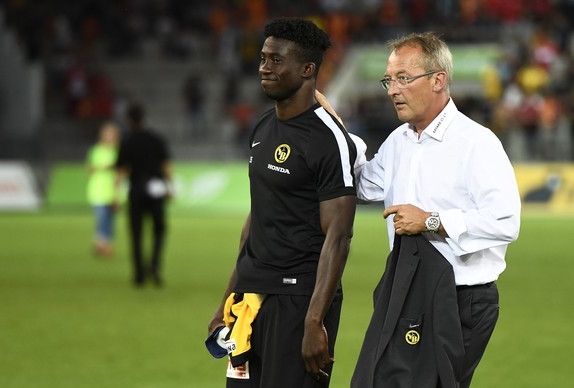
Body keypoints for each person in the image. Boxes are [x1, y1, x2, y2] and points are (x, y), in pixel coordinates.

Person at [352, 32, 521, 387]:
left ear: (438, 80)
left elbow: (505, 221)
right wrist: (332, 130)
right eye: (389, 80)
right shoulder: (399, 141)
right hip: (406, 289)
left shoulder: (476, 142)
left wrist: (430, 221)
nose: (391, 90)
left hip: (461, 299)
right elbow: (361, 185)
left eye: (403, 78)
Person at [207, 17, 358, 388]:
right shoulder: (261, 128)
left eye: (276, 60)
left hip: (299, 299)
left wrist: (314, 320)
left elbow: (338, 236)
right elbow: (256, 220)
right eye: (262, 58)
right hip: (250, 299)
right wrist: (228, 298)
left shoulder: (328, 139)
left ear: (307, 69)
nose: (264, 67)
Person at [115, 102, 173, 287]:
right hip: (155, 191)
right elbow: (166, 166)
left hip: (136, 190)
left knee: (136, 233)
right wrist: (170, 187)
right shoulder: (156, 139)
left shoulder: (128, 140)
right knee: (159, 230)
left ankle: (139, 274)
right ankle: (154, 267)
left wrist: (115, 194)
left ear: (129, 120)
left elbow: (122, 170)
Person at [86, 121, 120, 257]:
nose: (109, 137)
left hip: (114, 191)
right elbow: (90, 168)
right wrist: (108, 167)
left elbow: (122, 171)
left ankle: (103, 244)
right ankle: (102, 244)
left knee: (110, 221)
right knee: (102, 218)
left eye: (111, 135)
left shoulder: (118, 151)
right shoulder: (96, 150)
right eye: (106, 134)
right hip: (98, 191)